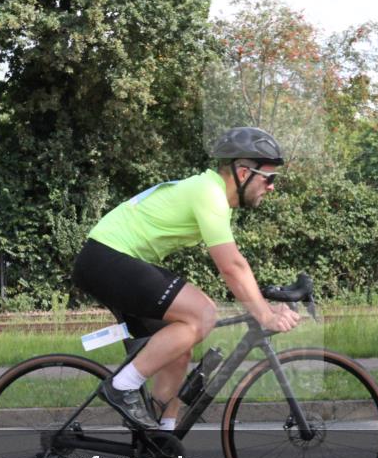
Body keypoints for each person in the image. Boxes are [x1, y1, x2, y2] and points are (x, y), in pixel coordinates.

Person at [71, 127, 301, 431]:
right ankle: (121, 387)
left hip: (112, 260)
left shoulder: (209, 193)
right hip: (107, 257)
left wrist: (264, 306)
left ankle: (161, 440)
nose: (271, 187)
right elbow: (231, 266)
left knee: (178, 348)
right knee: (202, 313)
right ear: (244, 172)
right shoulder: (209, 193)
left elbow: (237, 266)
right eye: (268, 178)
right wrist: (266, 314)